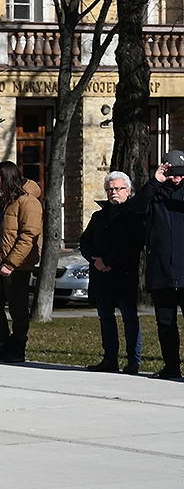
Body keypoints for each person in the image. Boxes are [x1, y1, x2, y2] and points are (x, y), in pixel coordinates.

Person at [0, 160, 42, 362]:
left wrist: (11, 263)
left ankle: (17, 346)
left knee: (17, 307)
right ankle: (1, 343)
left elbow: (29, 235)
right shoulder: (3, 200)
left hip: (17, 265)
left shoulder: (28, 202)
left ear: (6, 178)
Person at [81, 171, 144, 375]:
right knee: (105, 317)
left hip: (123, 275)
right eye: (110, 189)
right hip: (101, 276)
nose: (114, 193)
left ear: (128, 190)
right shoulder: (99, 216)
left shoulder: (134, 216)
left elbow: (134, 245)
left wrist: (108, 260)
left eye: (118, 189)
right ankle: (110, 359)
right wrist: (96, 260)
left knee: (129, 317)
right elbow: (85, 241)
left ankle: (134, 360)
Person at [132, 151, 184, 380]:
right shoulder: (154, 193)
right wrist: (155, 181)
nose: (177, 179)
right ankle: (171, 366)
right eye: (173, 174)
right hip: (161, 268)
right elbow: (136, 208)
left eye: (182, 175)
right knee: (165, 323)